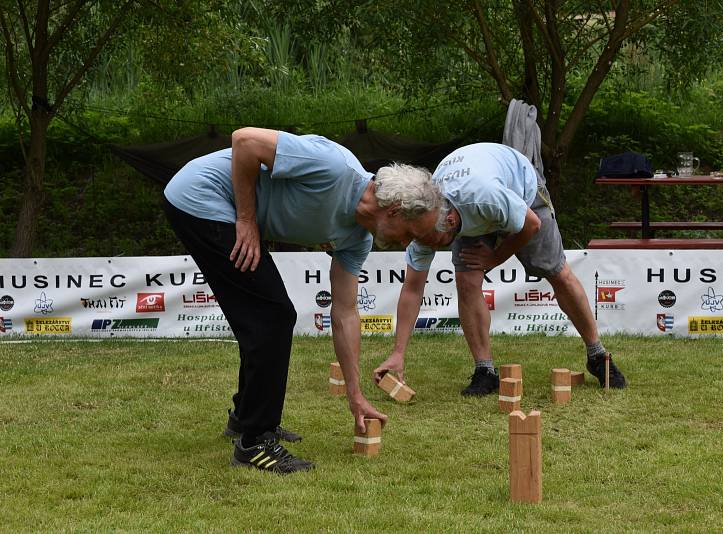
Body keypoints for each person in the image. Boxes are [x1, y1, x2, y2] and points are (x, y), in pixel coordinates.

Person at [163, 127, 442, 474]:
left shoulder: (357, 239)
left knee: (265, 315)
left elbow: (345, 312)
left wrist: (355, 395)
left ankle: (244, 419)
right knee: (273, 315)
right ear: (396, 210)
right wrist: (247, 219)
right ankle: (254, 442)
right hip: (200, 196)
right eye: (412, 235)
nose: (407, 245)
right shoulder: (332, 167)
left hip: (219, 207)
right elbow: (244, 141)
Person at [373, 143, 626, 396]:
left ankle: (597, 355)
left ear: (449, 222)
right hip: (470, 206)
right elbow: (412, 289)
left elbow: (531, 225)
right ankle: (485, 371)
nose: (427, 246)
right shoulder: (422, 223)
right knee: (466, 280)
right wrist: (398, 353)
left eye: (432, 241)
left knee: (556, 272)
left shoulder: (482, 195)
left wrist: (494, 258)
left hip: (522, 191)